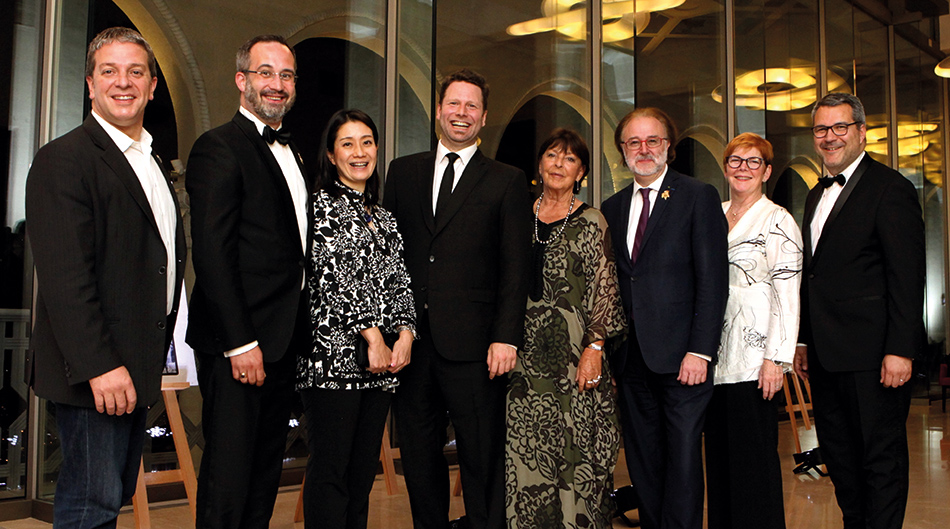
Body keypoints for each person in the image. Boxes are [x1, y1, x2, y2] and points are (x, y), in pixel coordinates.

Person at [25, 27, 185, 527]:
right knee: (90, 505)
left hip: (135, 365)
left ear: (153, 85)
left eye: (135, 72)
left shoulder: (152, 163)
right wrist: (100, 366)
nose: (124, 82)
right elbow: (65, 278)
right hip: (97, 372)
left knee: (108, 501)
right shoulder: (64, 159)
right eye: (109, 71)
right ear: (90, 84)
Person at [383, 68, 532, 529]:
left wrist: (505, 337)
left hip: (477, 347)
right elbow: (390, 258)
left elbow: (515, 267)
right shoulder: (402, 172)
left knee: (481, 458)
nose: (461, 113)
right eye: (454, 104)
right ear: (439, 112)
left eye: (471, 106)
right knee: (419, 455)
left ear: (484, 117)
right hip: (411, 345)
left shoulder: (507, 180)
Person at [186, 35, 311, 528]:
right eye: (265, 73)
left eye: (286, 75)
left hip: (284, 341)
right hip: (240, 343)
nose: (276, 85)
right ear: (242, 80)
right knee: (228, 481)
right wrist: (241, 342)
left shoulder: (295, 152)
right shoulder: (218, 146)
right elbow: (214, 255)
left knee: (263, 478)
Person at [795, 92, 924, 529]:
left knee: (880, 461)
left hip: (875, 357)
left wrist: (901, 349)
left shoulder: (891, 188)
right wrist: (804, 339)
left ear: (861, 132)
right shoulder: (815, 196)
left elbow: (907, 277)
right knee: (841, 458)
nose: (830, 137)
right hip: (828, 358)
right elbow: (814, 277)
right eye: (821, 129)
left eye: (839, 127)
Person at [600, 107, 728, 529]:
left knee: (684, 459)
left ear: (668, 147)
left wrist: (700, 351)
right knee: (642, 460)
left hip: (683, 360)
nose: (643, 149)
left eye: (652, 140)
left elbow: (713, 281)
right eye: (633, 142)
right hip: (632, 358)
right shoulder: (613, 207)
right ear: (622, 150)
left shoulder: (697, 195)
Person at [298, 109, 416, 529]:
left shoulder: (382, 216)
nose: (359, 152)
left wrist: (405, 333)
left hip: (381, 364)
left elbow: (400, 279)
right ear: (331, 155)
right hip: (334, 361)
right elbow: (333, 277)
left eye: (367, 141)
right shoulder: (320, 207)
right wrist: (373, 337)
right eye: (347, 143)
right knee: (332, 473)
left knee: (362, 473)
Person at [505, 128, 626, 528]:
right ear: (539, 165)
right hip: (519, 360)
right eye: (552, 156)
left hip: (574, 358)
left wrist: (594, 349)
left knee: (575, 453)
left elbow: (604, 289)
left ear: (582, 171)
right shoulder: (517, 214)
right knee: (524, 451)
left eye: (570, 159)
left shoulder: (592, 221)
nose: (559, 164)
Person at [704, 133, 802, 529]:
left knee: (754, 466)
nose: (743, 168)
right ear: (725, 168)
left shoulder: (779, 219)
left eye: (753, 162)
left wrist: (776, 359)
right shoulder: (713, 212)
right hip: (714, 359)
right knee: (721, 464)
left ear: (767, 171)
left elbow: (788, 292)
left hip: (756, 359)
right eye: (735, 161)